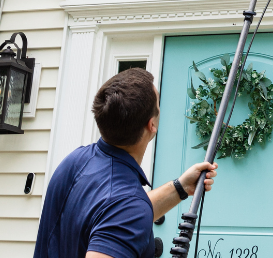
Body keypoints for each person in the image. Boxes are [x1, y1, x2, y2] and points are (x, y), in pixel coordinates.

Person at [34, 68, 218, 258]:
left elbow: (114, 216)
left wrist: (181, 187)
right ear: (151, 125)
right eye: (158, 104)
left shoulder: (75, 161)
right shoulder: (127, 207)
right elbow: (122, 214)